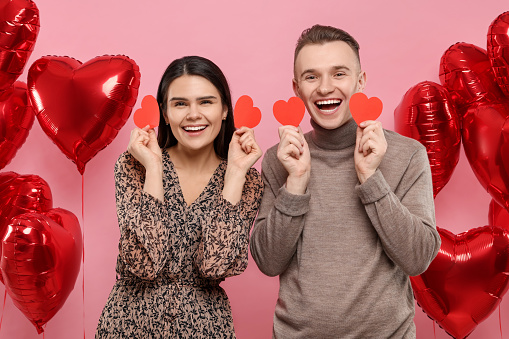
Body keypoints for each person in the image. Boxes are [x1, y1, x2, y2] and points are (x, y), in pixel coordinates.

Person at [250, 25, 441, 338]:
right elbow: (269, 261)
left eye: (339, 74)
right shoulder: (279, 159)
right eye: (311, 77)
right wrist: (296, 182)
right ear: (297, 88)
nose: (325, 88)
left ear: (361, 80)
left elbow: (418, 258)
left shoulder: (407, 155)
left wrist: (370, 178)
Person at [96, 56, 263, 338]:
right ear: (164, 112)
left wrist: (234, 173)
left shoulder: (248, 181)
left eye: (206, 102)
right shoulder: (133, 166)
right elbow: (143, 264)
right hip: (129, 325)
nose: (193, 114)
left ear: (224, 110)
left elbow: (215, 265)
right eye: (180, 103)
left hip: (205, 328)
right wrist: (153, 168)